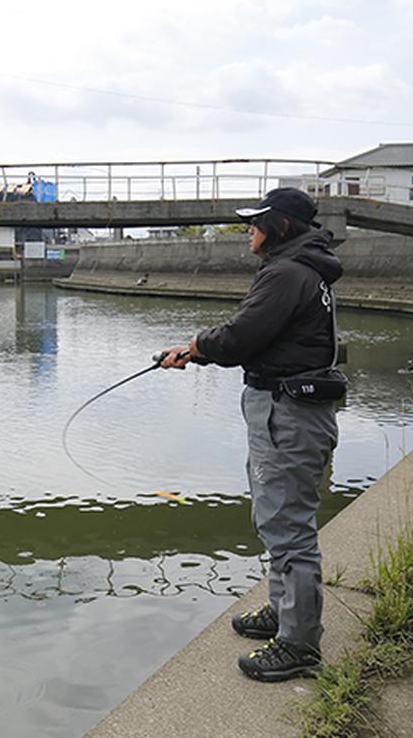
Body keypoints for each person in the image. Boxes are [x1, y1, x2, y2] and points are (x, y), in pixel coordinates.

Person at [160, 187, 342, 682]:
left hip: (288, 415)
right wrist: (198, 350)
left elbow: (242, 336)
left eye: (256, 221)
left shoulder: (286, 272)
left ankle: (299, 644)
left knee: (288, 528)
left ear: (280, 226)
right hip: (287, 411)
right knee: (276, 517)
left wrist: (196, 345)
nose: (249, 229)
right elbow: (257, 336)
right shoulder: (302, 269)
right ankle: (285, 614)